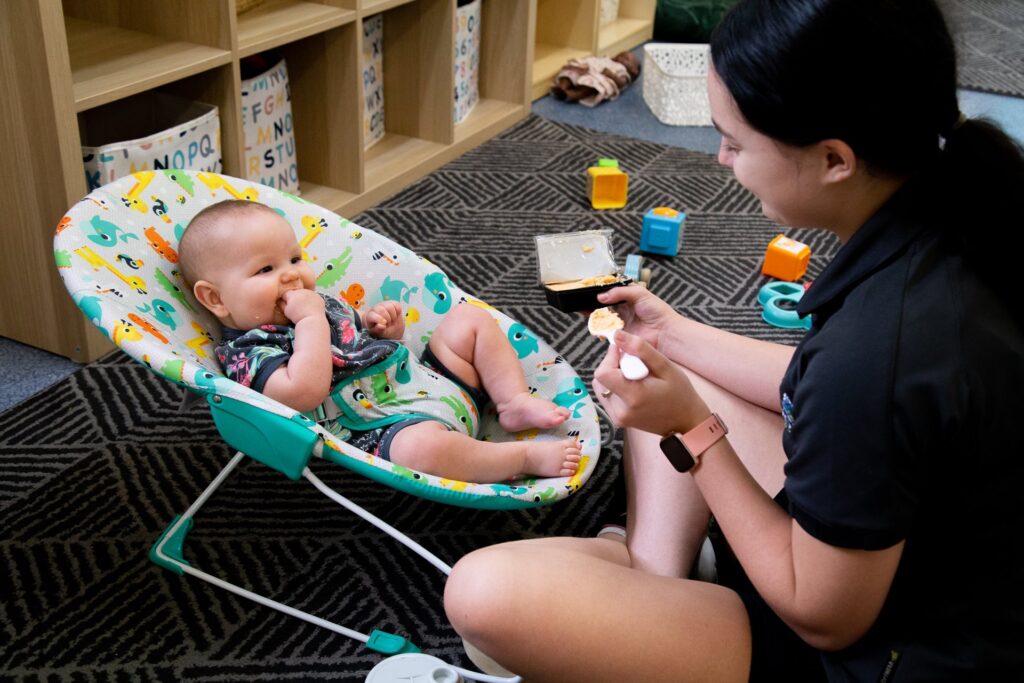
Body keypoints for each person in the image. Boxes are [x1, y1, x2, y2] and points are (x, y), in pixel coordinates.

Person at [442, 0, 1024, 680]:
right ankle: (652, 576)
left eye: (736, 142)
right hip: (916, 547)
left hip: (869, 648)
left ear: (835, 158)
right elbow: (822, 389)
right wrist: (674, 332)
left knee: (482, 596)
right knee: (669, 365)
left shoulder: (879, 352)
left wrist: (693, 429)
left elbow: (826, 617)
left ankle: (646, 602)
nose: (720, 159)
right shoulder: (950, 218)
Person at [178, 199, 581, 483]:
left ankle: (510, 401)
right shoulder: (250, 352)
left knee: (469, 319)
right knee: (422, 451)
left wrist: (383, 329)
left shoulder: (318, 303)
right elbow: (304, 390)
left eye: (295, 260)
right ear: (215, 298)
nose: (292, 276)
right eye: (266, 269)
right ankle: (517, 457)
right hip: (389, 425)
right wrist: (310, 321)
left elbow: (359, 347)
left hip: (432, 383)